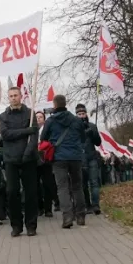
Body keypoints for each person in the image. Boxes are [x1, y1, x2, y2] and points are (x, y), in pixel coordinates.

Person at [0, 87, 40, 237]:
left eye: (16, 95)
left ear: (21, 96)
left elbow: (34, 135)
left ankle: (31, 225)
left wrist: (28, 152)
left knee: (30, 193)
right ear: (8, 98)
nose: (13, 98)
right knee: (12, 192)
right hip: (10, 159)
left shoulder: (30, 113)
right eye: (11, 96)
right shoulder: (3, 116)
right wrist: (25, 131)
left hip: (28, 158)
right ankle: (16, 225)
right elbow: (6, 134)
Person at [40, 94, 87, 228]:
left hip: (59, 158)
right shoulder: (76, 120)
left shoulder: (50, 121)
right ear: (65, 104)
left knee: (62, 188)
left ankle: (67, 218)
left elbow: (43, 138)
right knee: (78, 186)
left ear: (54, 105)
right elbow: (83, 138)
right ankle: (81, 216)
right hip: (76, 157)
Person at [75, 104, 102, 214]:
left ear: (86, 114)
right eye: (79, 114)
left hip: (91, 157)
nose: (82, 116)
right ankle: (87, 205)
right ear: (76, 115)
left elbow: (98, 142)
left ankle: (96, 204)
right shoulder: (74, 127)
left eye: (83, 113)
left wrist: (93, 133)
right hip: (80, 158)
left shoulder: (92, 125)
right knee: (83, 184)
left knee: (94, 183)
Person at [34, 111, 57, 218]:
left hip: (46, 159)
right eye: (36, 117)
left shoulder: (48, 129)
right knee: (36, 185)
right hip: (34, 159)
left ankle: (48, 209)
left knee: (47, 184)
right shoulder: (32, 130)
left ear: (44, 119)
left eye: (40, 117)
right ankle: (39, 207)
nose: (38, 119)